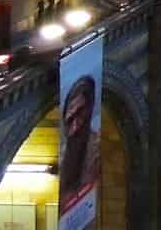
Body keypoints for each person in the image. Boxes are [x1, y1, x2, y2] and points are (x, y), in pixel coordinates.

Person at [58, 74, 102, 218]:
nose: (76, 125)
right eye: (71, 114)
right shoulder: (63, 149)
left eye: (81, 114)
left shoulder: (94, 146)